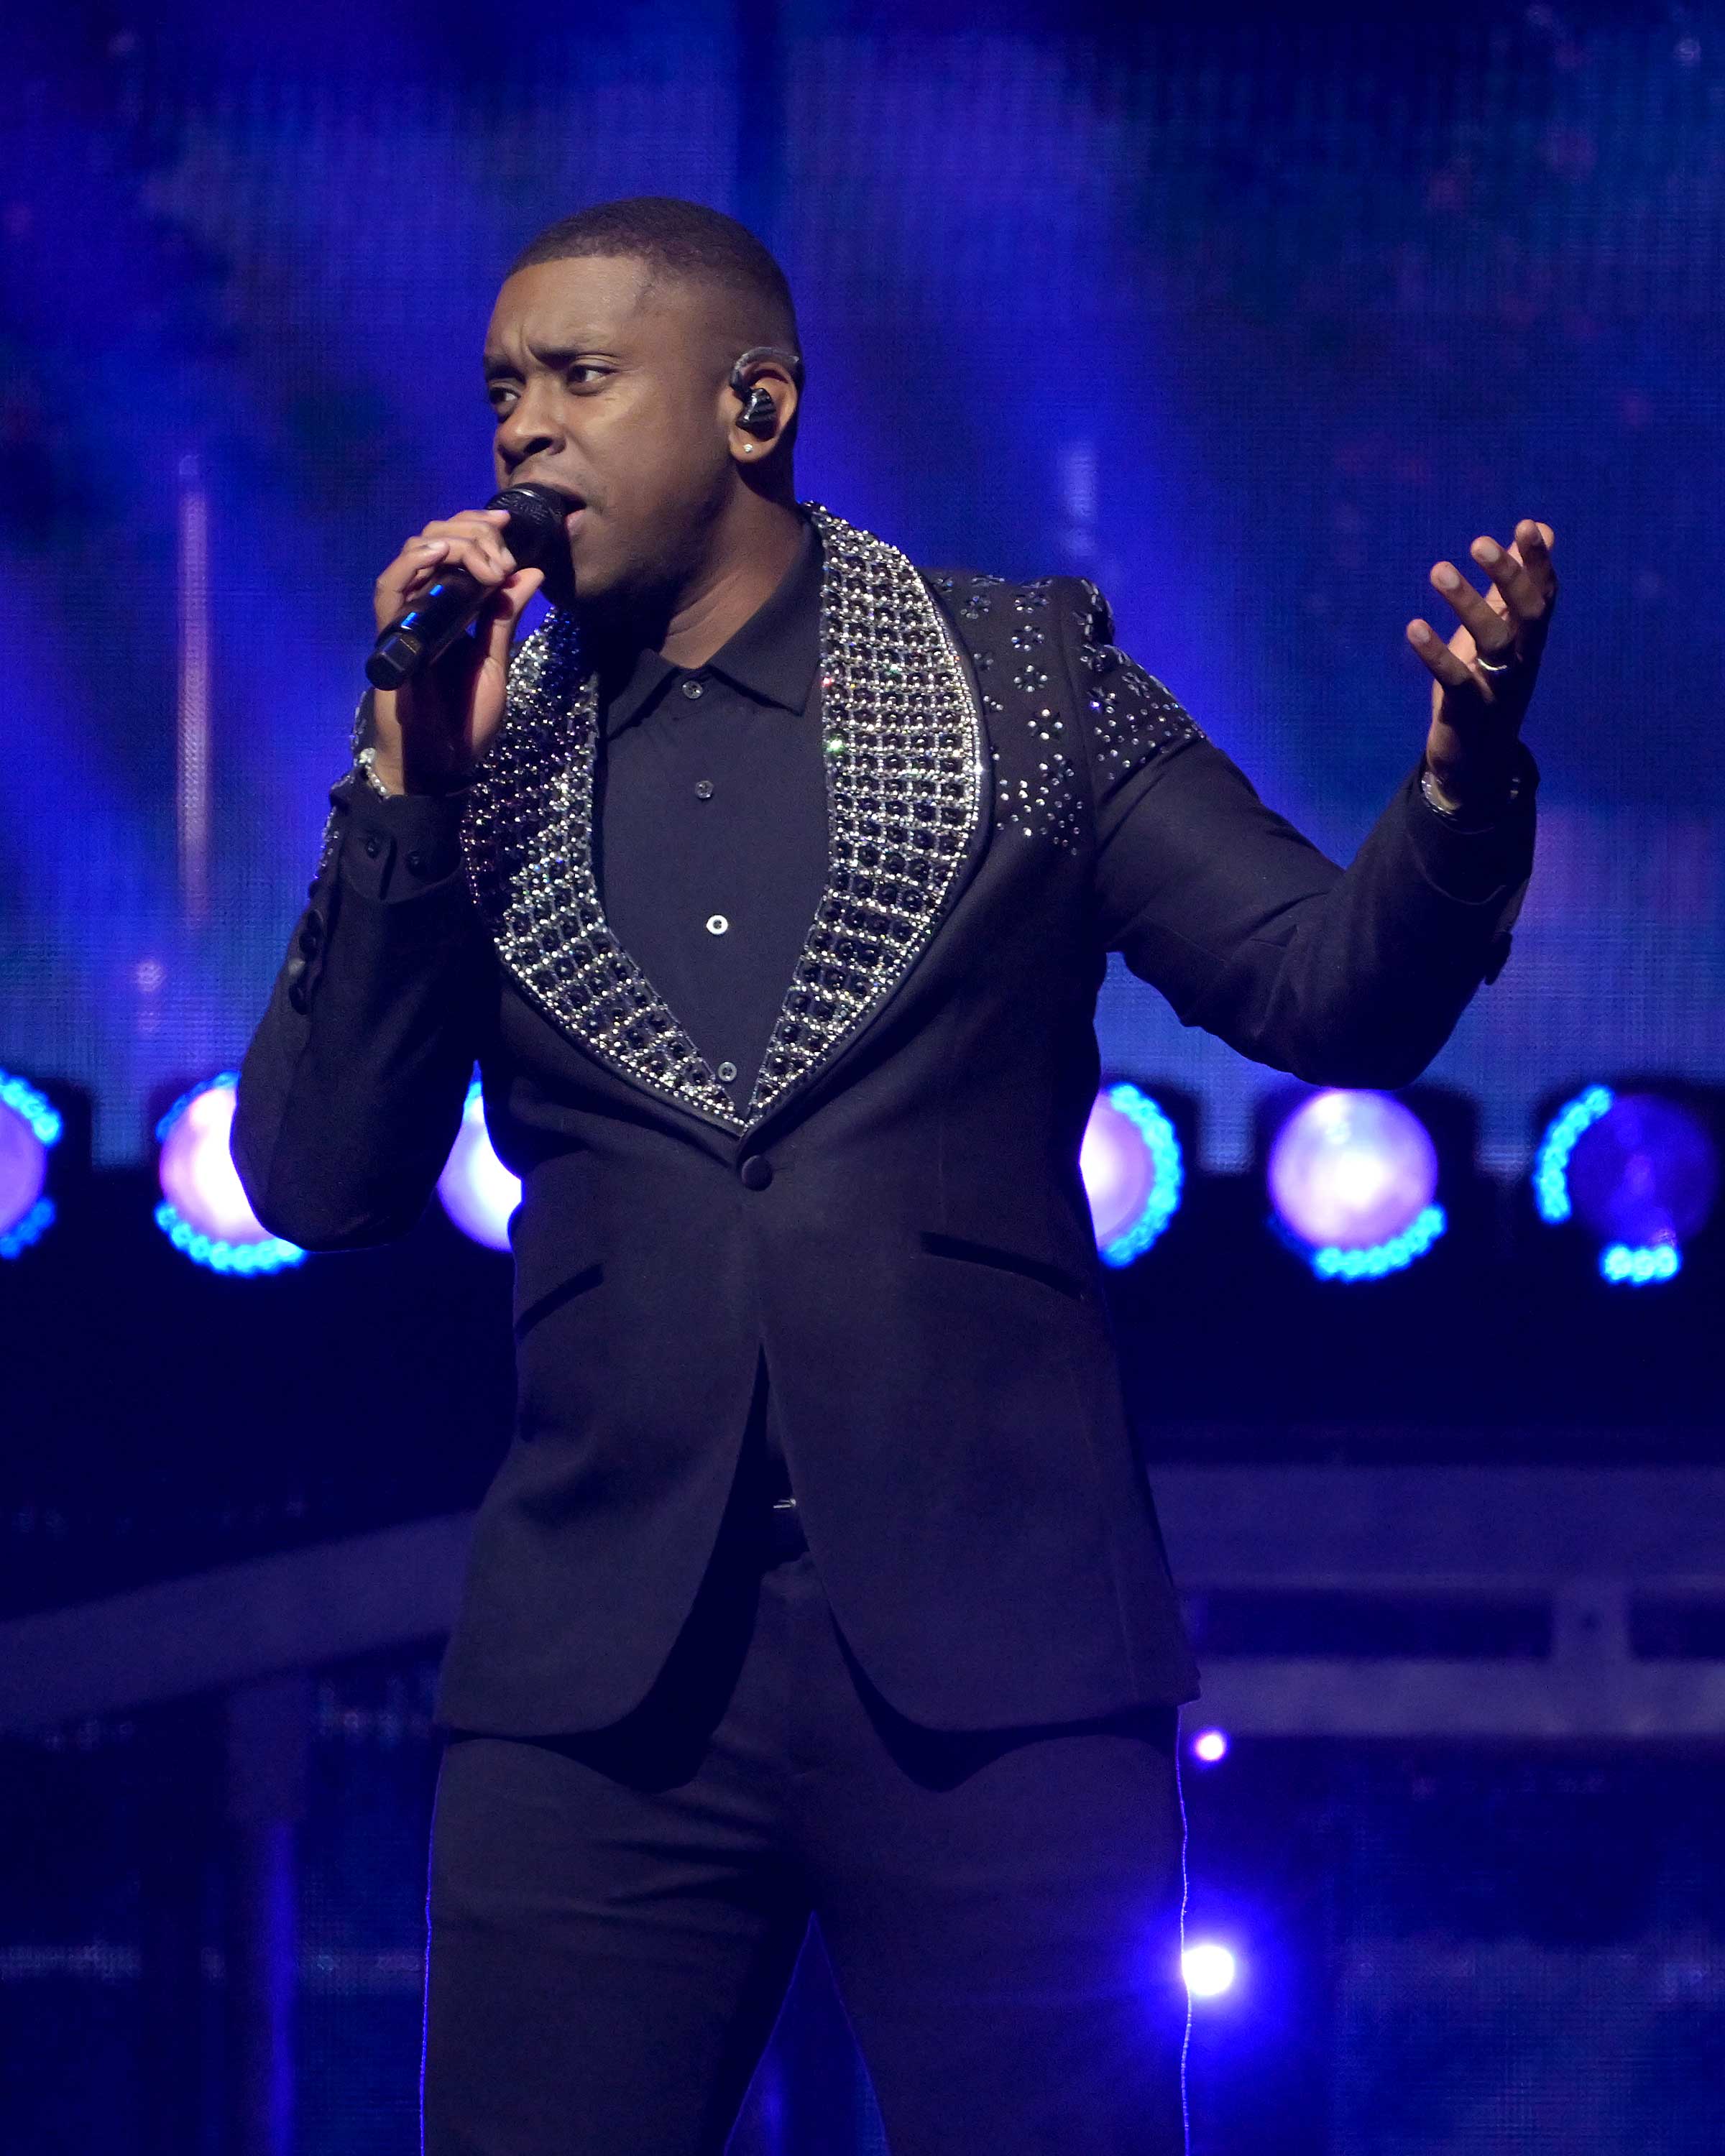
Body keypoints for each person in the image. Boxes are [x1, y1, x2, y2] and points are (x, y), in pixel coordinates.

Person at [234, 195, 1552, 2156]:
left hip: (1000, 1661)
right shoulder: (478, 749)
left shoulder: (1023, 685)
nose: (523, 431)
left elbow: (1322, 987)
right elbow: (317, 1181)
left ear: (754, 406)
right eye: (503, 390)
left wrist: (1460, 789)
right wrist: (406, 789)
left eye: (582, 378)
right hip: (601, 1685)